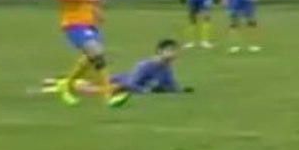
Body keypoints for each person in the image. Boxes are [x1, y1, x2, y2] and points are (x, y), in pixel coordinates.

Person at [53, 0, 129, 108]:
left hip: (88, 21)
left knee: (92, 56)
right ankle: (108, 96)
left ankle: (67, 85)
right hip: (73, 22)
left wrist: (96, 11)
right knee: (97, 54)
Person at [38, 39, 193, 96]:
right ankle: (58, 85)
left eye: (175, 51)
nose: (174, 54)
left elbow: (170, 84)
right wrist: (144, 91)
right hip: (118, 81)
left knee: (86, 82)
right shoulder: (146, 65)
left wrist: (181, 91)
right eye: (170, 50)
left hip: (122, 85)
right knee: (110, 87)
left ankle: (59, 84)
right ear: (160, 51)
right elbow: (131, 83)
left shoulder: (166, 68)